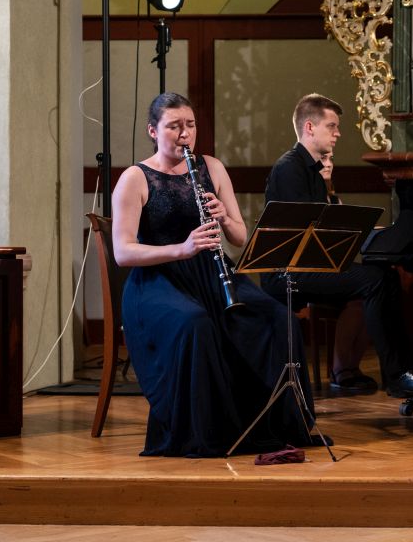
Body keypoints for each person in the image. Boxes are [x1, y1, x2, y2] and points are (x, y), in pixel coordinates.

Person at [112, 92, 315, 456]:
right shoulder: (135, 178)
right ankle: (207, 433)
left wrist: (223, 216)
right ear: (153, 131)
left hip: (213, 273)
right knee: (196, 324)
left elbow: (239, 237)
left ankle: (274, 424)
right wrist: (182, 249)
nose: (184, 134)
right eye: (174, 126)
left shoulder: (211, 168)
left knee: (278, 319)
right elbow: (123, 252)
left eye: (190, 125)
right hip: (158, 281)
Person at [263, 93, 413, 398]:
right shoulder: (289, 168)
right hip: (288, 271)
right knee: (375, 279)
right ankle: (398, 377)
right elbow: (306, 232)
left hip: (309, 265)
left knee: (385, 275)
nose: (338, 133)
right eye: (332, 126)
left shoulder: (314, 171)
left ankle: (402, 372)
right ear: (309, 127)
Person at [319, 152, 376, 396]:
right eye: (323, 159)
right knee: (359, 297)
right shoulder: (309, 194)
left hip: (337, 265)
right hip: (318, 270)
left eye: (332, 159)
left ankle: (352, 365)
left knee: (369, 298)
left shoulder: (334, 198)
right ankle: (340, 368)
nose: (328, 164)